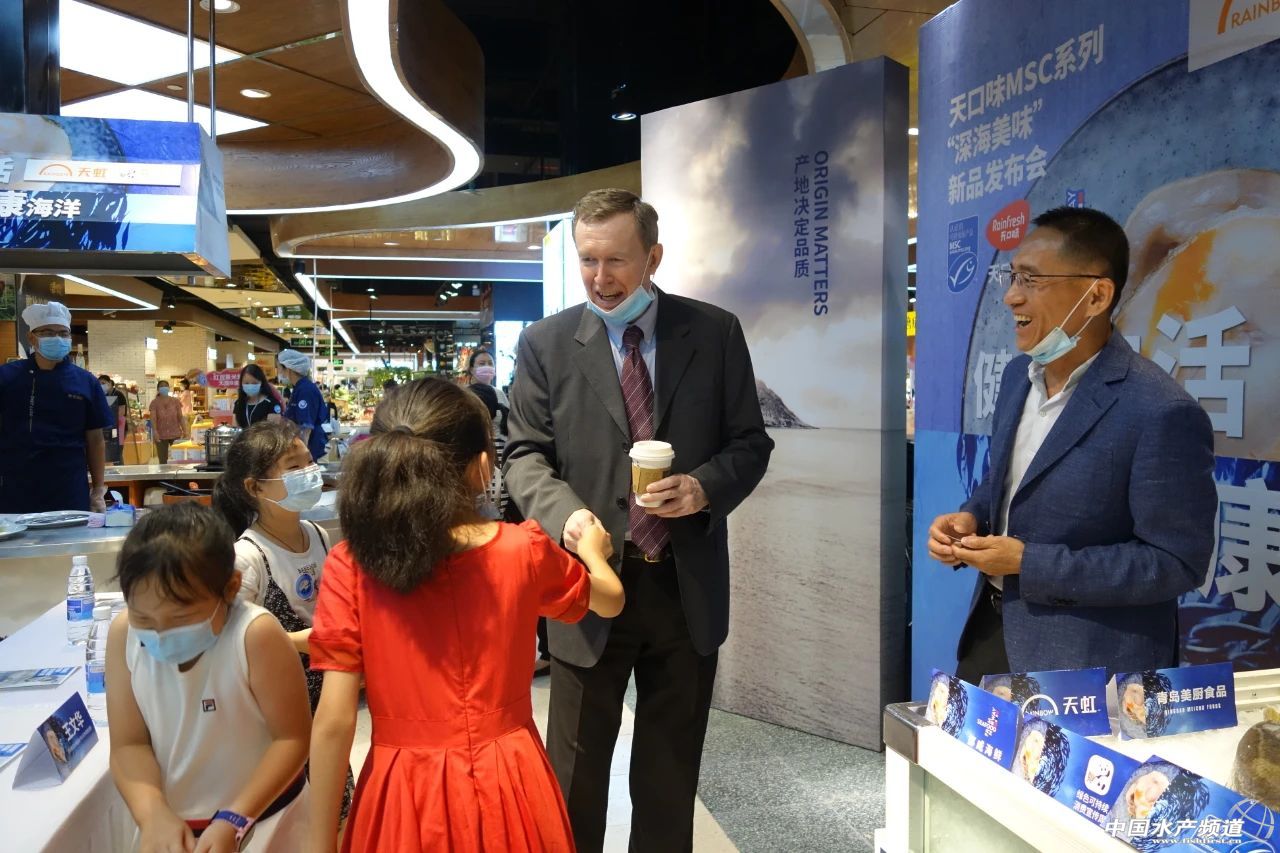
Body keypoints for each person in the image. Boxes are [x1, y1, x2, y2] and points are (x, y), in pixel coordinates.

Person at [504, 188, 774, 852]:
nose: (600, 278)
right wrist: (568, 518)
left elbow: (750, 442)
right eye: (587, 260)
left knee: (668, 777)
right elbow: (524, 455)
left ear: (653, 257)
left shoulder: (713, 333)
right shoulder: (546, 343)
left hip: (684, 587)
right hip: (587, 584)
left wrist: (704, 488)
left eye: (617, 260)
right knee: (574, 774)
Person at [307, 378, 623, 852]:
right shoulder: (523, 549)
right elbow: (609, 599)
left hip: (403, 790)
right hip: (510, 780)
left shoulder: (351, 564)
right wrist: (593, 551)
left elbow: (334, 722)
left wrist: (318, 842)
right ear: (482, 466)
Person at [927, 207, 1217, 681]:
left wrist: (1029, 564)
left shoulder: (1159, 410)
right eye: (1012, 277)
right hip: (991, 634)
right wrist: (972, 517)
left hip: (1086, 666)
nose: (1011, 296)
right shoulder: (1017, 379)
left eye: (1031, 280)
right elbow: (1010, 478)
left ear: (1096, 295)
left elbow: (1176, 562)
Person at [105, 503, 311, 852]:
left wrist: (235, 818)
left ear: (231, 588)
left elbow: (292, 739)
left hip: (265, 821)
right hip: (174, 830)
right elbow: (129, 745)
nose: (161, 633)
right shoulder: (123, 634)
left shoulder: (254, 635)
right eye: (144, 619)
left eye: (180, 618)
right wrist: (152, 813)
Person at [213, 420, 354, 818]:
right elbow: (224, 642)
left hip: (325, 706)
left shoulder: (317, 535)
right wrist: (298, 642)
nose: (309, 472)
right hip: (274, 720)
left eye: (309, 461)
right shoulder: (247, 557)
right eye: (293, 467)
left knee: (336, 809)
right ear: (255, 488)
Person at [0, 301, 112, 513]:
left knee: (71, 534)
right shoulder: (7, 377)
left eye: (63, 333)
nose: (57, 338)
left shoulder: (85, 382)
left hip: (68, 485)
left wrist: (98, 490)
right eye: (48, 333)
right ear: (31, 337)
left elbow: (96, 440)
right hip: (15, 484)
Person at [276, 349, 327, 462]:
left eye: (279, 368)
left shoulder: (305, 390)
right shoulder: (299, 388)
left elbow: (306, 428)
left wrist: (301, 456)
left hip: (310, 447)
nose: (278, 372)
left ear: (288, 368)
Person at [233, 364, 284, 429]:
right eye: (246, 383)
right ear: (241, 384)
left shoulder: (272, 404)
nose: (250, 386)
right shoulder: (239, 403)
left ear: (261, 383)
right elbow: (235, 428)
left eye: (254, 383)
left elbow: (273, 431)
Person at [149, 380, 188, 464]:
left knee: (178, 459)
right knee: (163, 460)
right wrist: (155, 431)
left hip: (175, 433)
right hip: (161, 434)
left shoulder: (175, 401)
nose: (164, 387)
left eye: (165, 386)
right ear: (158, 389)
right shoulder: (154, 403)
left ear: (168, 388)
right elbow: (153, 418)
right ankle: (164, 473)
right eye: (161, 386)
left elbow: (180, 417)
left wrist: (185, 430)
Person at [99, 374, 125, 465]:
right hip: (107, 427)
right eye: (99, 384)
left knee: (117, 450)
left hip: (118, 426)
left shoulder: (118, 394)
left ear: (109, 383)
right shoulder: (101, 395)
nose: (101, 385)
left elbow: (122, 411)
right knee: (108, 450)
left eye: (103, 383)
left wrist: (110, 419)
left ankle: (120, 469)